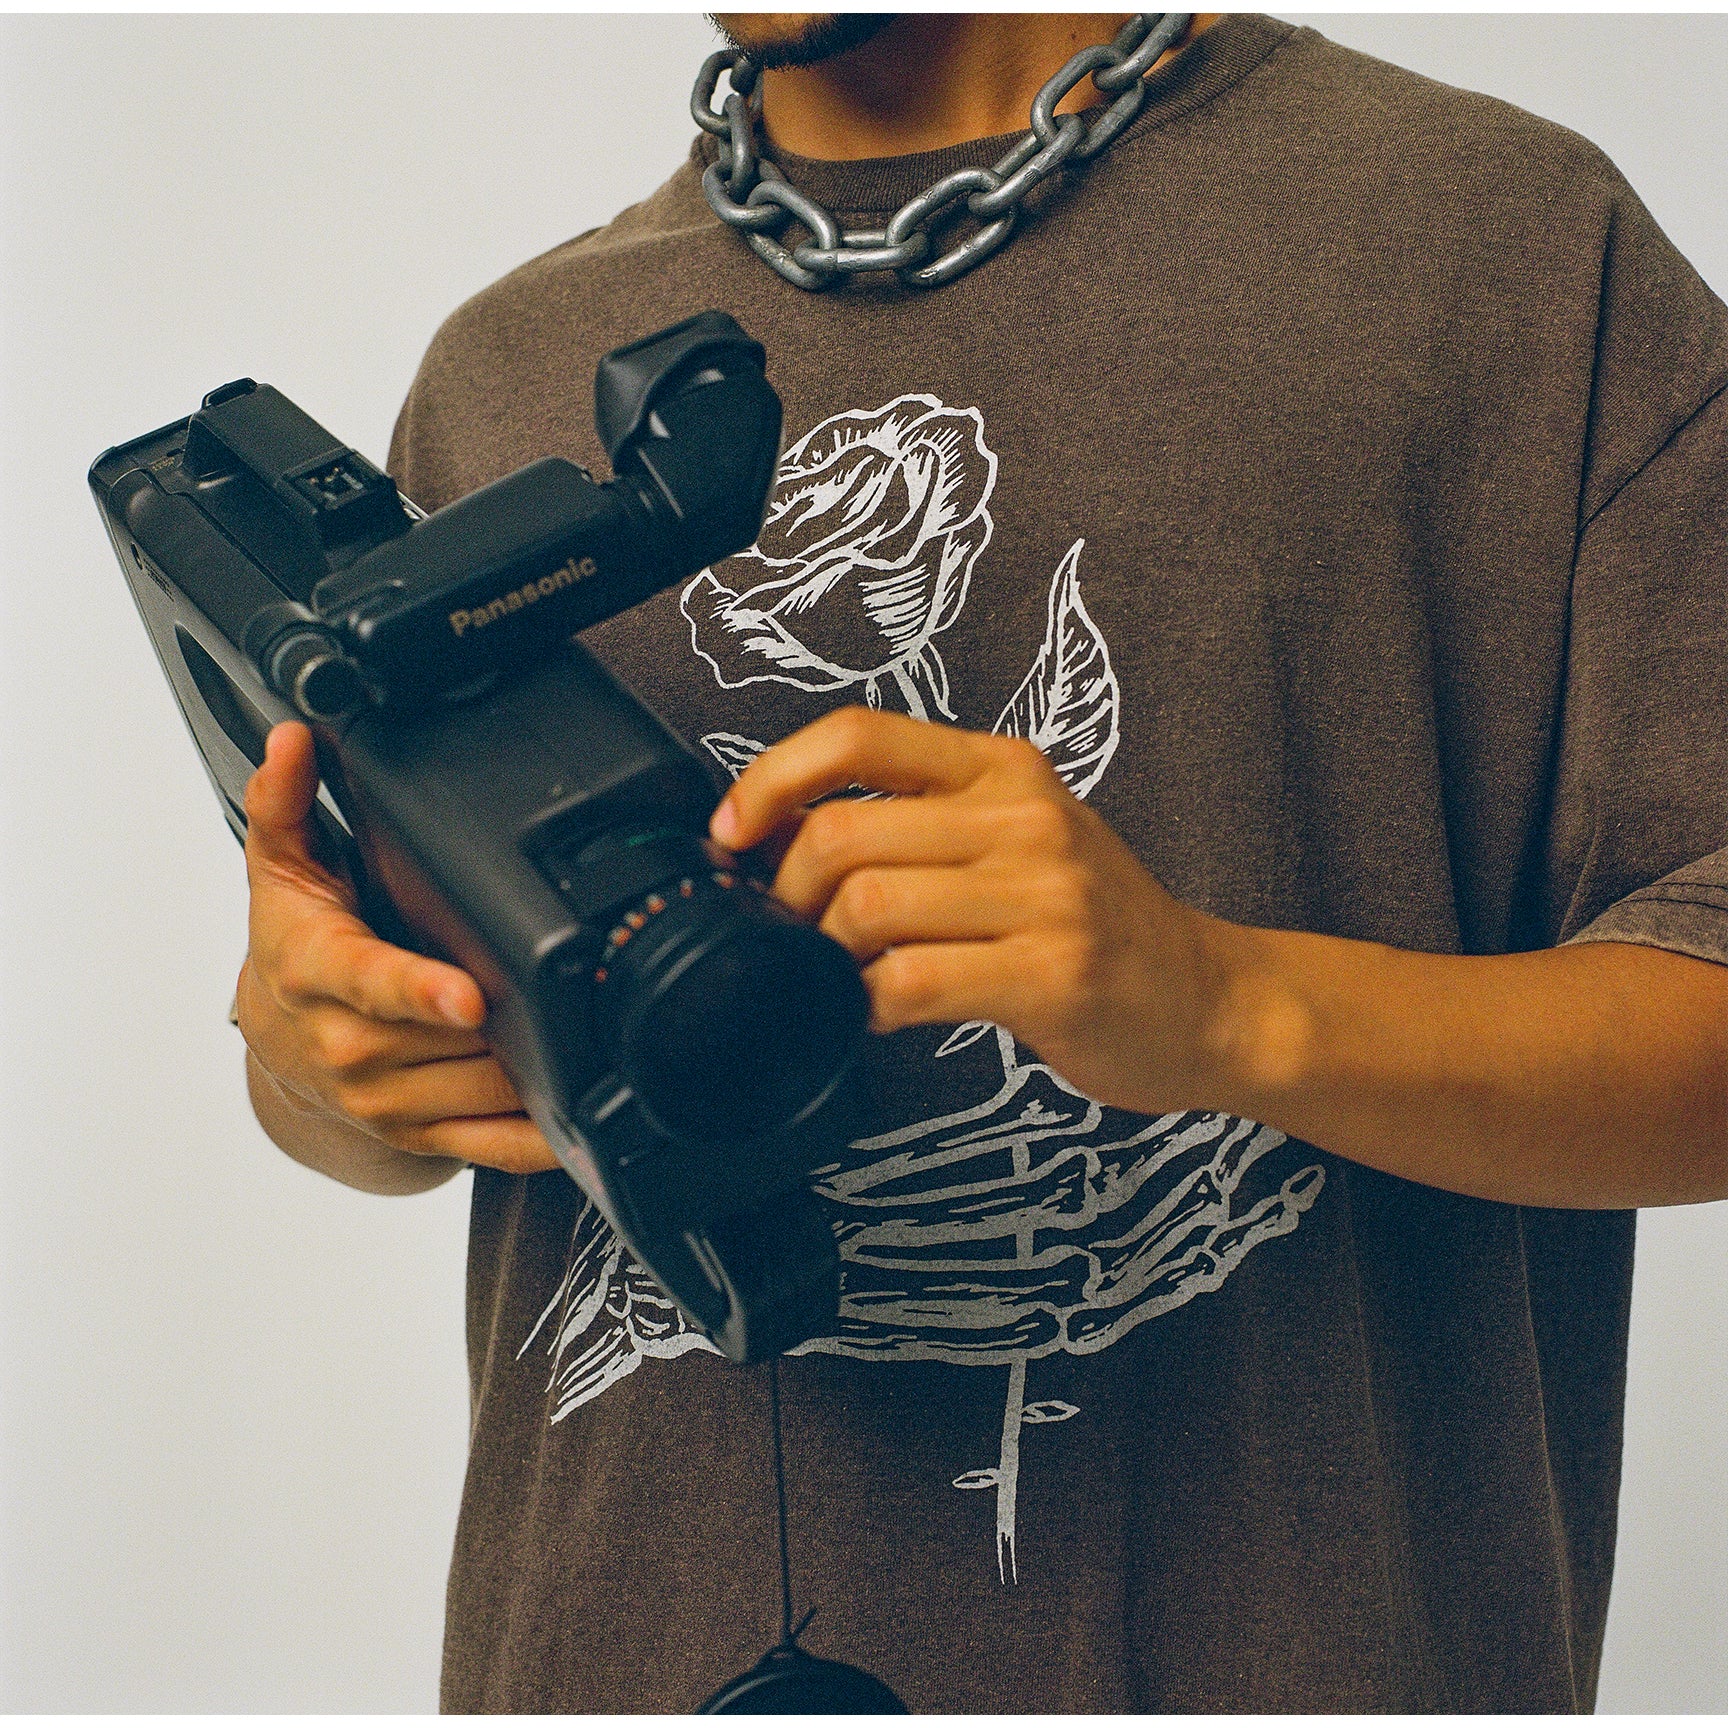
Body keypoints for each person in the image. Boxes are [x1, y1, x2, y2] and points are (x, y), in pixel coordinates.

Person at [234, 13, 1728, 1711]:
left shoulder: (1498, 249)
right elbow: (375, 1063)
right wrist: (325, 1062)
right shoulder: (506, 366)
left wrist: (1230, 1004)